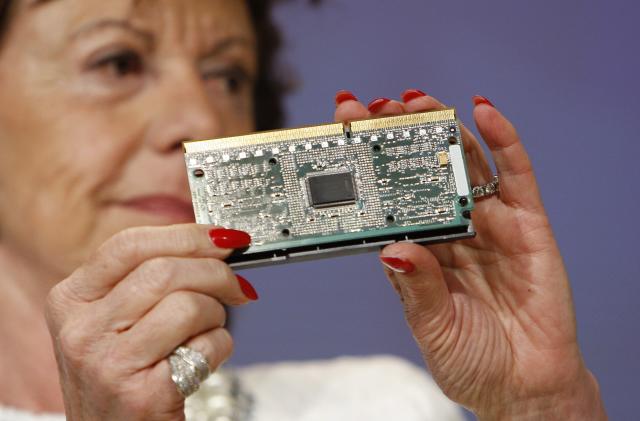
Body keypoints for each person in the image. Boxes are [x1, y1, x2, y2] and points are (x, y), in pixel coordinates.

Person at [0, 0, 608, 420]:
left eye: (229, 76)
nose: (202, 122)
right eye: (119, 62)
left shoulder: (380, 405)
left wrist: (540, 408)